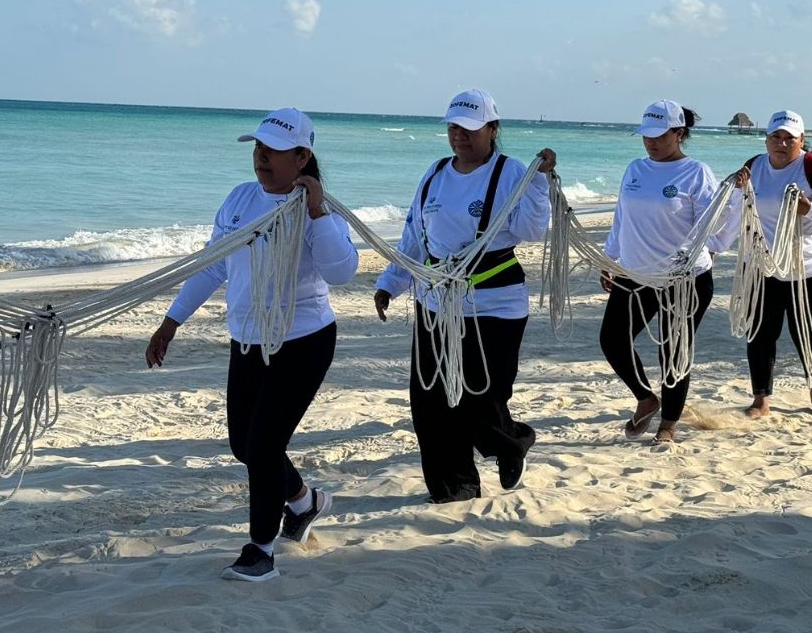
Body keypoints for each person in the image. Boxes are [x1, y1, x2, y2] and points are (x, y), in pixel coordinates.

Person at [145, 108, 358, 582]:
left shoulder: (318, 210)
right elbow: (212, 266)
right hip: (247, 338)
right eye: (258, 148)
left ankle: (261, 550)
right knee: (244, 444)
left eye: (274, 151)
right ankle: (304, 502)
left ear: (302, 157)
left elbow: (342, 271)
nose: (262, 158)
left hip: (303, 339)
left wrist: (319, 213)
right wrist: (170, 322)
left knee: (263, 446)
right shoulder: (240, 199)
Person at [373, 89, 556, 504]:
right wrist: (391, 282)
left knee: (481, 396)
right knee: (431, 402)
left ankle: (511, 441)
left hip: (496, 302)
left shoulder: (510, 173)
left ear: (493, 130)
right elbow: (414, 237)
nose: (460, 136)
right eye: (454, 127)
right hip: (437, 301)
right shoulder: (436, 173)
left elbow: (532, 231)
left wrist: (540, 182)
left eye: (471, 129)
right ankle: (454, 488)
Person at [599, 100, 727, 445]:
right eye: (646, 136)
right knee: (611, 339)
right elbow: (621, 219)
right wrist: (609, 259)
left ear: (678, 133)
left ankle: (668, 425)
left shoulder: (696, 172)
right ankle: (645, 397)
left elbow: (714, 230)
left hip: (684, 280)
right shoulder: (635, 169)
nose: (650, 142)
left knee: (672, 351)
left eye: (658, 135)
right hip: (634, 273)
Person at [728, 110, 812, 418]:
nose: (782, 144)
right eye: (776, 137)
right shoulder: (754, 167)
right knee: (760, 332)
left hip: (810, 267)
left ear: (801, 141)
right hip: (762, 265)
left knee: (809, 333)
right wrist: (737, 191)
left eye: (789, 138)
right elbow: (734, 213)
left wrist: (809, 209)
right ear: (767, 139)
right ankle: (761, 399)